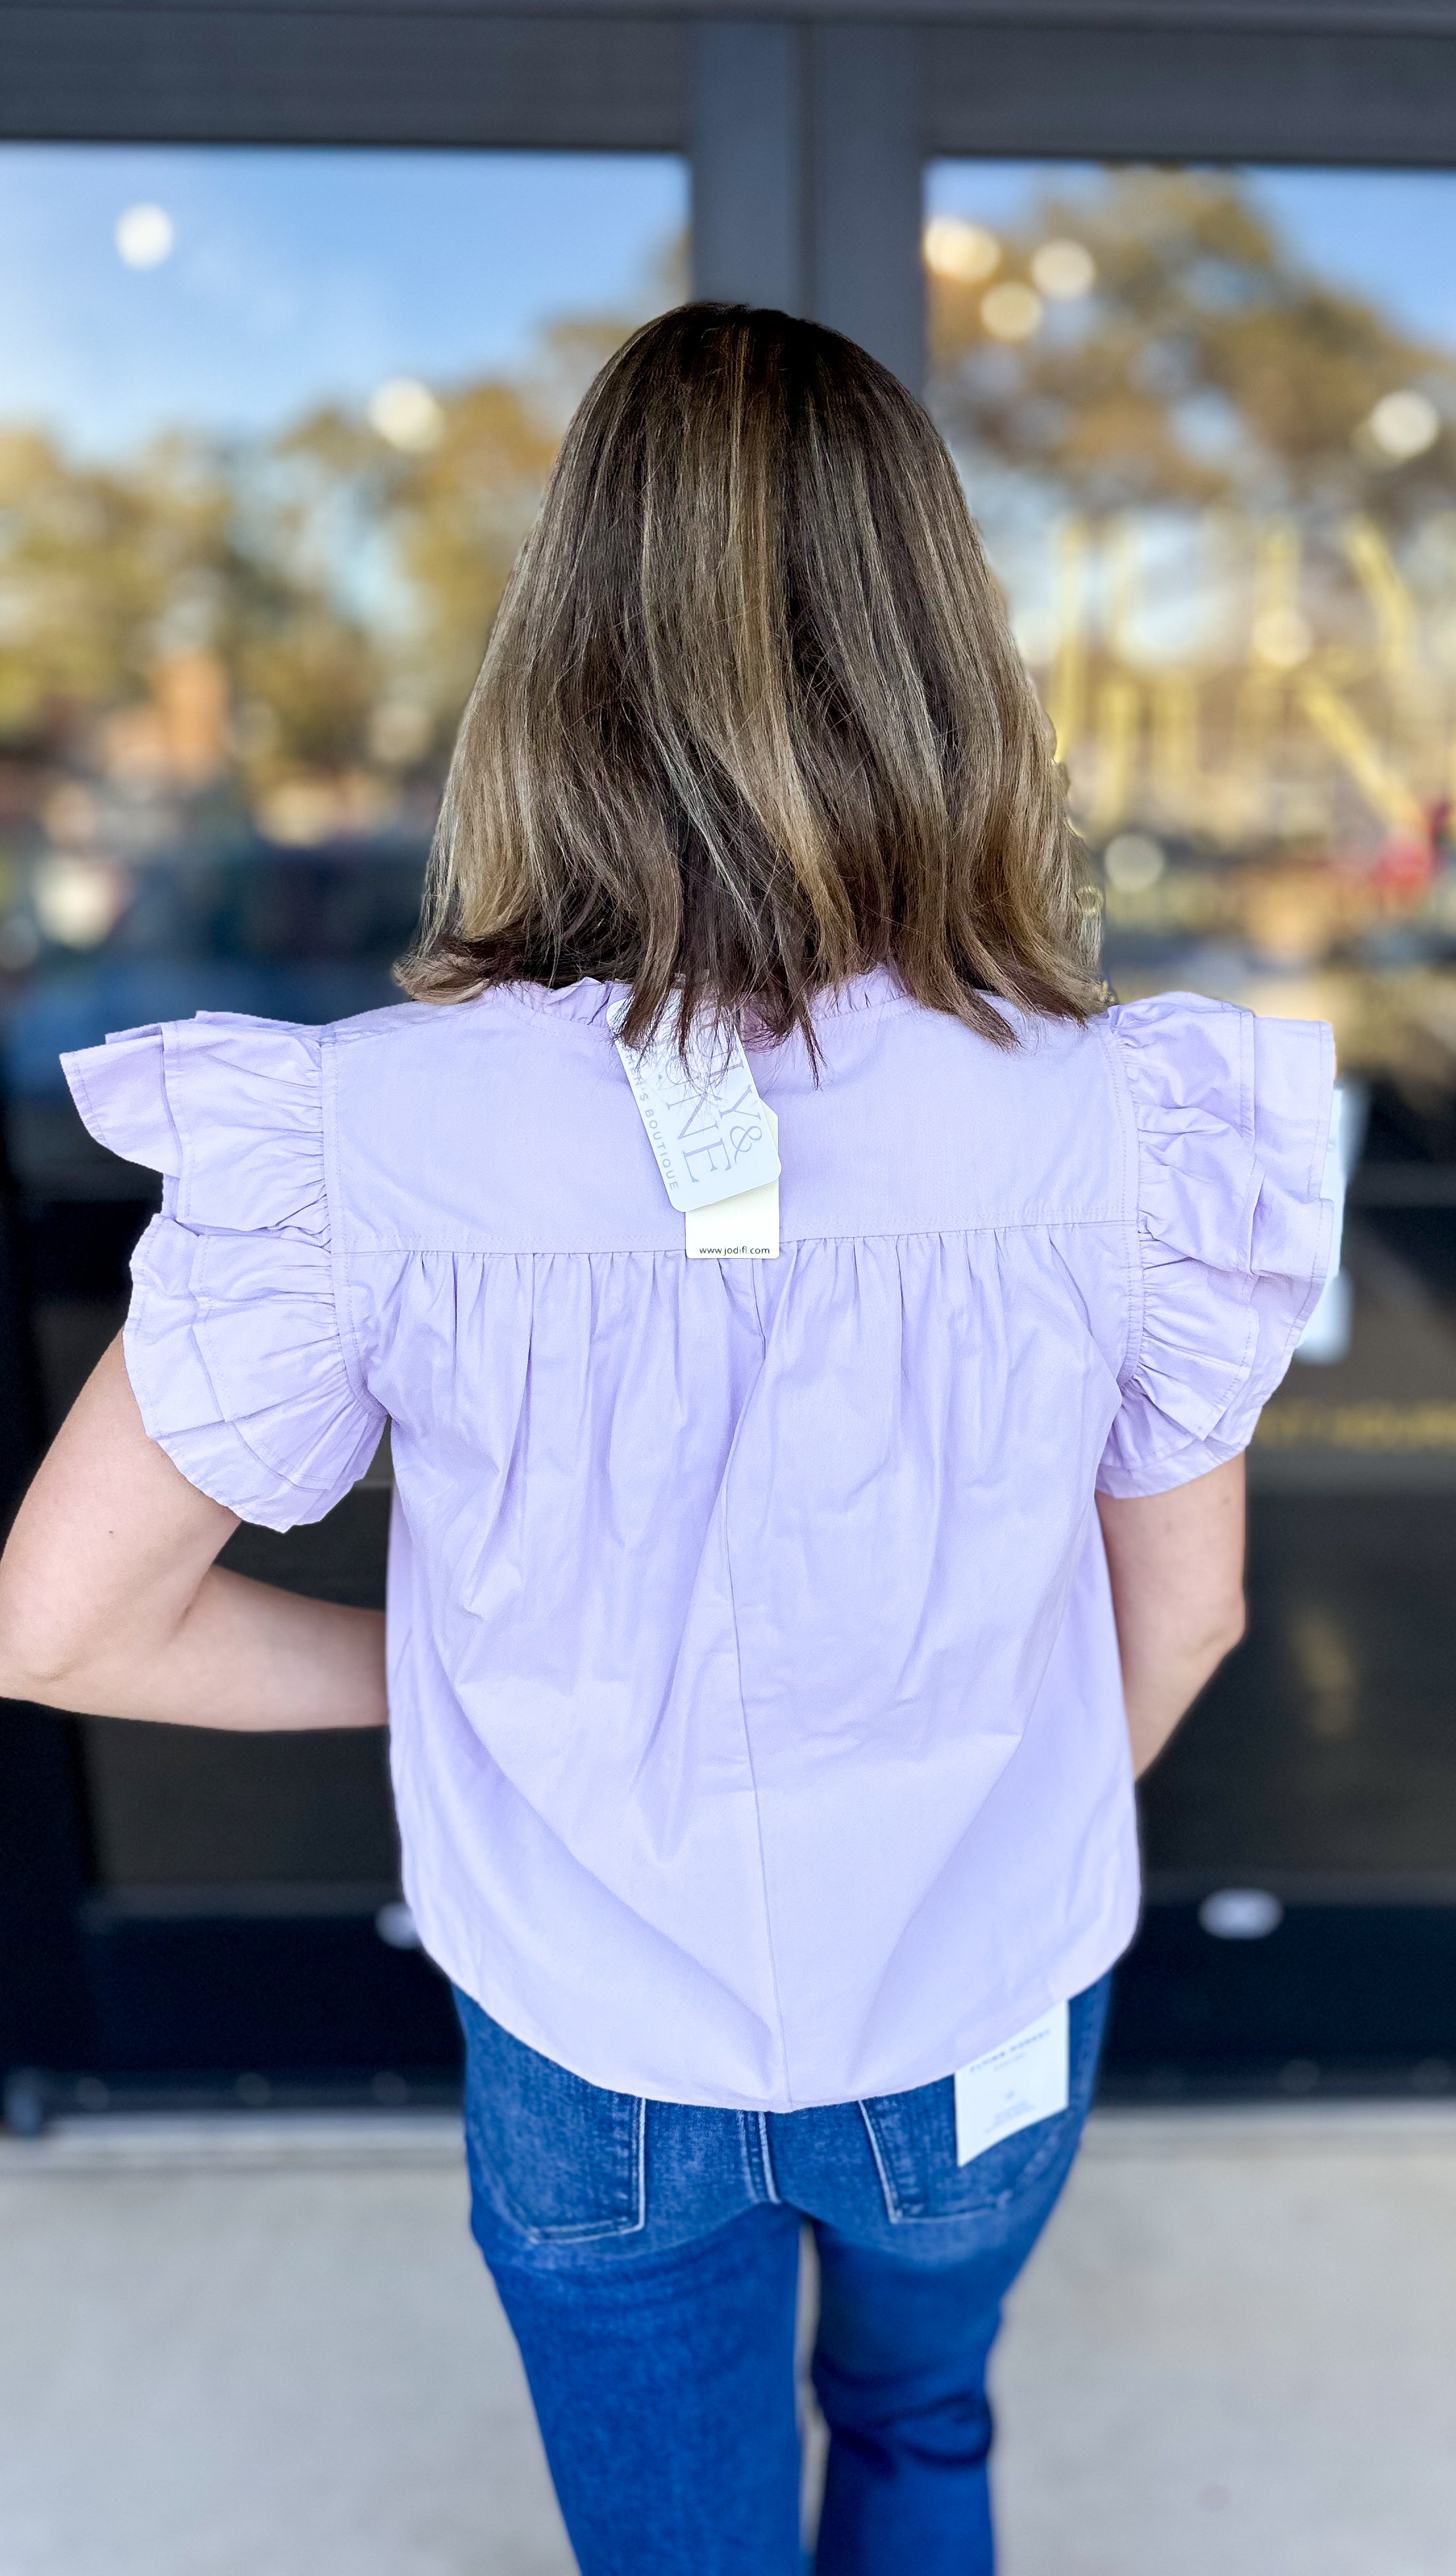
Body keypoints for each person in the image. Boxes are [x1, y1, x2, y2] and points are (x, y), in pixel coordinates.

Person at [0, 305, 1341, 2575]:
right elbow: (1187, 1613)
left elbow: (58, 1623)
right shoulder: (1132, 1122)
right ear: (949, 650)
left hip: (593, 2044)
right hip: (983, 2017)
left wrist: (453, 1676)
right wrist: (962, 1835)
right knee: (922, 2435)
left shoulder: (365, 1137)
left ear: (558, 661)